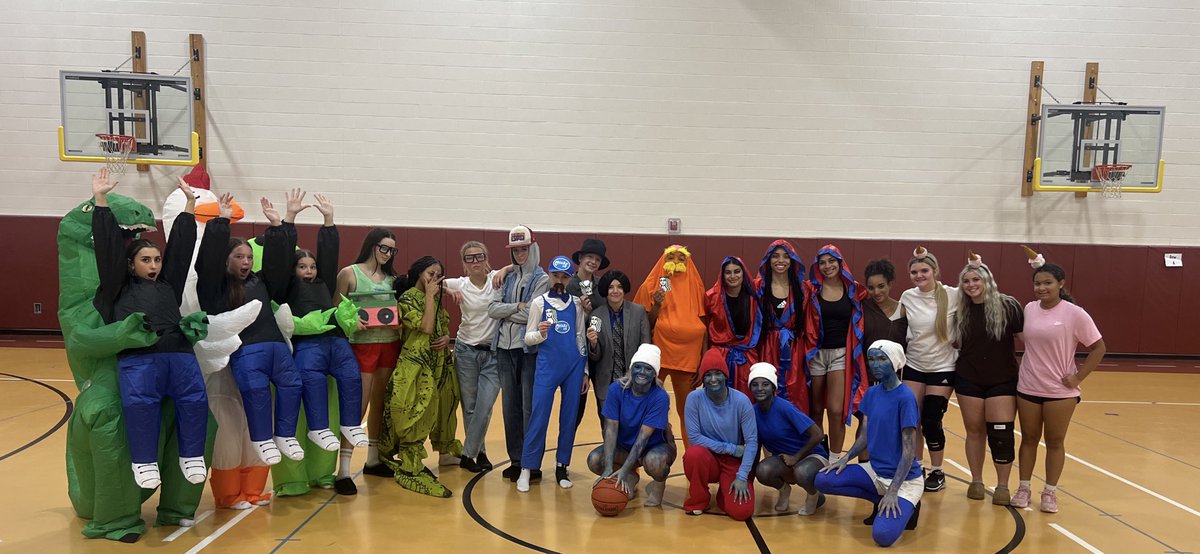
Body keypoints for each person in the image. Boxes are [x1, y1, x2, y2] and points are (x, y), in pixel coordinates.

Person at [91, 169, 208, 488]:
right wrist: (101, 200)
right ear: (131, 264)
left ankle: (192, 454)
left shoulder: (169, 283)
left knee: (196, 400)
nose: (154, 265)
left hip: (179, 355)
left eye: (156, 259)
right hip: (139, 359)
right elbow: (107, 250)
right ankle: (143, 462)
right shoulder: (118, 287)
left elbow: (182, 249)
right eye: (146, 260)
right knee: (140, 404)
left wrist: (188, 205)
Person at [197, 189, 307, 465]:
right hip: (248, 350)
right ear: (225, 260)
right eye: (239, 257)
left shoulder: (259, 282)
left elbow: (280, 262)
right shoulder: (215, 286)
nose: (246, 262)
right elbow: (207, 261)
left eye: (249, 257)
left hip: (276, 347)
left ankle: (284, 434)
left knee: (292, 385)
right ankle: (261, 438)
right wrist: (221, 222)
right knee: (256, 390)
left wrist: (281, 224)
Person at [270, 193, 369, 496]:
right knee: (310, 381)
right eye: (303, 267)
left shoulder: (324, 282)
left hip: (334, 340)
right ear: (293, 270)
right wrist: (288, 220)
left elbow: (329, 257)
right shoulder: (286, 286)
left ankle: (351, 424)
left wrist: (328, 222)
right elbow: (280, 260)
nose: (310, 271)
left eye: (312, 267)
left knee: (352, 377)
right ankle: (318, 428)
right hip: (308, 344)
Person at [1011, 258, 1106, 513]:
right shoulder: (1029, 309)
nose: (1042, 288)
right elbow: (1021, 335)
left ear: (1060, 284)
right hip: (1028, 386)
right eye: (1037, 283)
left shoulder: (1074, 313)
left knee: (1054, 441)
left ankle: (1050, 492)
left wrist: (1078, 377)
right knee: (1028, 439)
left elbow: (1098, 348)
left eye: (1048, 283)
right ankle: (1023, 487)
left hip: (1059, 392)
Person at [816, 340, 922, 548]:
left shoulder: (906, 398)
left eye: (882, 359)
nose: (875, 364)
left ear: (894, 362)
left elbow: (909, 454)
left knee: (882, 536)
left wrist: (893, 491)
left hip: (905, 482)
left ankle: (911, 505)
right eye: (871, 359)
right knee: (823, 480)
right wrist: (845, 459)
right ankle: (878, 498)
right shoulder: (872, 394)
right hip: (875, 471)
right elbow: (864, 436)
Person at [379, 256, 462, 497]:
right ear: (418, 274)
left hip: (437, 364)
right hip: (415, 366)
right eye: (430, 274)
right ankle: (409, 467)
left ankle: (434, 455)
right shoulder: (408, 299)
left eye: (438, 275)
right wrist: (429, 296)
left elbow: (439, 329)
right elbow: (425, 327)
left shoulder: (436, 301)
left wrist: (446, 339)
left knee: (437, 411)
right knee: (414, 413)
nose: (434, 279)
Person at [953, 254, 1022, 506]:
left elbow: (1030, 339)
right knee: (974, 432)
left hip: (1002, 379)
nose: (971, 284)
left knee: (1001, 434)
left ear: (987, 280)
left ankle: (1003, 486)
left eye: (976, 279)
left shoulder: (1008, 306)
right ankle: (977, 480)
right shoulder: (959, 310)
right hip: (968, 378)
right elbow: (953, 341)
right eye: (966, 281)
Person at [517, 255, 588, 492]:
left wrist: (585, 369)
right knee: (539, 417)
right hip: (547, 366)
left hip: (573, 366)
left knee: (569, 419)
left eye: (564, 277)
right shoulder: (539, 303)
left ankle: (561, 467)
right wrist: (540, 334)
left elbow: (580, 336)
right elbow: (528, 338)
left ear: (570, 278)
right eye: (556, 276)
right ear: (549, 276)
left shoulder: (577, 303)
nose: (560, 280)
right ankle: (527, 469)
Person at [335, 227, 401, 478]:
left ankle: (373, 460)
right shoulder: (349, 273)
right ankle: (343, 470)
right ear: (372, 245)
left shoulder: (392, 279)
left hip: (389, 344)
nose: (387, 253)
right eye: (383, 247)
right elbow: (336, 310)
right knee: (357, 406)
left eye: (392, 249)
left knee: (380, 405)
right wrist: (352, 322)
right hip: (361, 346)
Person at [489, 225, 550, 482]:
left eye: (523, 249)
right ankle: (516, 460)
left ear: (532, 247)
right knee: (509, 408)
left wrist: (509, 312)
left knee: (529, 408)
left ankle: (531, 462)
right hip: (504, 348)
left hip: (529, 351)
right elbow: (492, 309)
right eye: (515, 250)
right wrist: (517, 307)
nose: (520, 254)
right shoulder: (506, 276)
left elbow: (532, 316)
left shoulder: (542, 279)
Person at [897, 246, 959, 492]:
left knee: (932, 420)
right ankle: (916, 465)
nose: (919, 275)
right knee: (913, 420)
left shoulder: (952, 295)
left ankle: (937, 470)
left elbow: (981, 293)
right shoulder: (907, 296)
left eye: (924, 270)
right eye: (914, 272)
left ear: (935, 271)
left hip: (942, 367)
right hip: (914, 365)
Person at [634, 245, 707, 448]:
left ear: (688, 262)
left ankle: (693, 462)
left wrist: (704, 359)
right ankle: (638, 460)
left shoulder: (696, 286)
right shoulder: (650, 286)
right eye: (671, 256)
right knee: (648, 407)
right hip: (658, 359)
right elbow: (643, 326)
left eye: (681, 257)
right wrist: (657, 306)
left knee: (688, 413)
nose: (676, 260)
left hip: (688, 359)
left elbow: (705, 324)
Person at [587, 344, 676, 507]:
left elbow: (643, 439)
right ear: (631, 369)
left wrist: (625, 468)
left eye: (648, 369)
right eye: (638, 367)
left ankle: (658, 486)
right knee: (594, 460)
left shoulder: (660, 397)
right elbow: (611, 430)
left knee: (655, 461)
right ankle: (630, 477)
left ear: (654, 374)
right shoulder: (616, 389)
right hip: (625, 446)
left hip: (654, 447)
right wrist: (607, 467)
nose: (642, 372)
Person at [802, 245, 868, 461]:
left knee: (836, 410)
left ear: (840, 263)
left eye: (832, 261)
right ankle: (816, 455)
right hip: (815, 355)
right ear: (817, 266)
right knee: (815, 410)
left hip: (840, 355)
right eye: (823, 262)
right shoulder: (811, 289)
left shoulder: (854, 290)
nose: (827, 266)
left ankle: (834, 458)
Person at [442, 241, 502, 473]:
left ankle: (470, 453)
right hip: (466, 351)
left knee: (485, 406)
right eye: (470, 258)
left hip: (493, 354)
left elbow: (515, 268)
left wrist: (505, 269)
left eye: (479, 256)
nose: (475, 261)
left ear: (486, 258)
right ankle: (482, 452)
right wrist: (448, 290)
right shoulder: (460, 283)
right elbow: (427, 282)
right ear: (464, 263)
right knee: (470, 407)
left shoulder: (497, 279)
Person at [682, 348, 758, 521]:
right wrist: (731, 448)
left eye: (718, 373)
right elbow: (694, 438)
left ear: (726, 375)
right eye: (708, 374)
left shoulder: (741, 401)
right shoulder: (694, 399)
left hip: (733, 463)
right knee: (694, 454)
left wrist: (742, 476)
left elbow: (752, 442)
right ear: (703, 378)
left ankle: (725, 495)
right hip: (709, 457)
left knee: (742, 512)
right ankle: (699, 500)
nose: (713, 379)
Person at [748, 362, 827, 516]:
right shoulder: (752, 412)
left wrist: (796, 457)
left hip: (812, 455)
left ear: (773, 388)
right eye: (755, 384)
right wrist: (749, 477)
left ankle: (814, 496)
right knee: (763, 471)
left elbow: (817, 434)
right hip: (785, 458)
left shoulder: (784, 407)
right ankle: (784, 490)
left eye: (765, 384)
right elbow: (756, 445)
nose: (760, 389)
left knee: (802, 471)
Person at [586, 270, 651, 424]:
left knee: (633, 424)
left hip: (634, 379)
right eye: (610, 287)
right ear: (604, 291)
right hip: (606, 382)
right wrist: (593, 344)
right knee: (608, 427)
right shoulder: (596, 316)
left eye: (619, 287)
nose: (615, 291)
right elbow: (595, 357)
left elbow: (645, 346)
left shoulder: (638, 311)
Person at [755, 240, 810, 413]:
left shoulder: (803, 289)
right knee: (766, 391)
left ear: (793, 260)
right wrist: (667, 281)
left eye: (786, 256)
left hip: (793, 349)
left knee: (796, 394)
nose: (781, 260)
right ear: (768, 260)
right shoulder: (759, 287)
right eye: (776, 256)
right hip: (767, 348)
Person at [705, 256, 762, 396]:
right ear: (722, 275)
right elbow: (705, 330)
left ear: (743, 273)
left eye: (737, 271)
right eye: (728, 272)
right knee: (718, 400)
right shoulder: (712, 298)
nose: (732, 276)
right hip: (721, 359)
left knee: (747, 400)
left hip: (747, 358)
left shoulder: (754, 298)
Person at [569, 238, 610, 428]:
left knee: (606, 409)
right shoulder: (569, 285)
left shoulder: (604, 285)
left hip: (601, 353)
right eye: (589, 257)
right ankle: (563, 455)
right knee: (575, 409)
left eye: (597, 260)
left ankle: (613, 454)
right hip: (578, 354)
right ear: (581, 258)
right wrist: (583, 314)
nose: (593, 262)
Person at [862, 259, 908, 356]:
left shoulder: (903, 310)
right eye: (871, 288)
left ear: (890, 284)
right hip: (868, 367)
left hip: (897, 369)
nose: (876, 292)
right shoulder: (862, 308)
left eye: (881, 286)